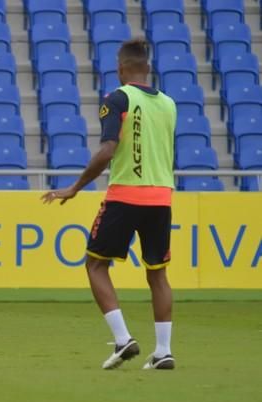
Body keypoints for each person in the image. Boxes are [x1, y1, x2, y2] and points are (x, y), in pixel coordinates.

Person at [43, 38, 177, 370]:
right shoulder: (169, 104)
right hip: (161, 198)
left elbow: (107, 150)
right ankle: (163, 351)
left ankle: (122, 339)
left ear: (120, 69)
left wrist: (74, 187)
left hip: (126, 195)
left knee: (95, 265)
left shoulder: (117, 98)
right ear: (147, 67)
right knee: (157, 275)